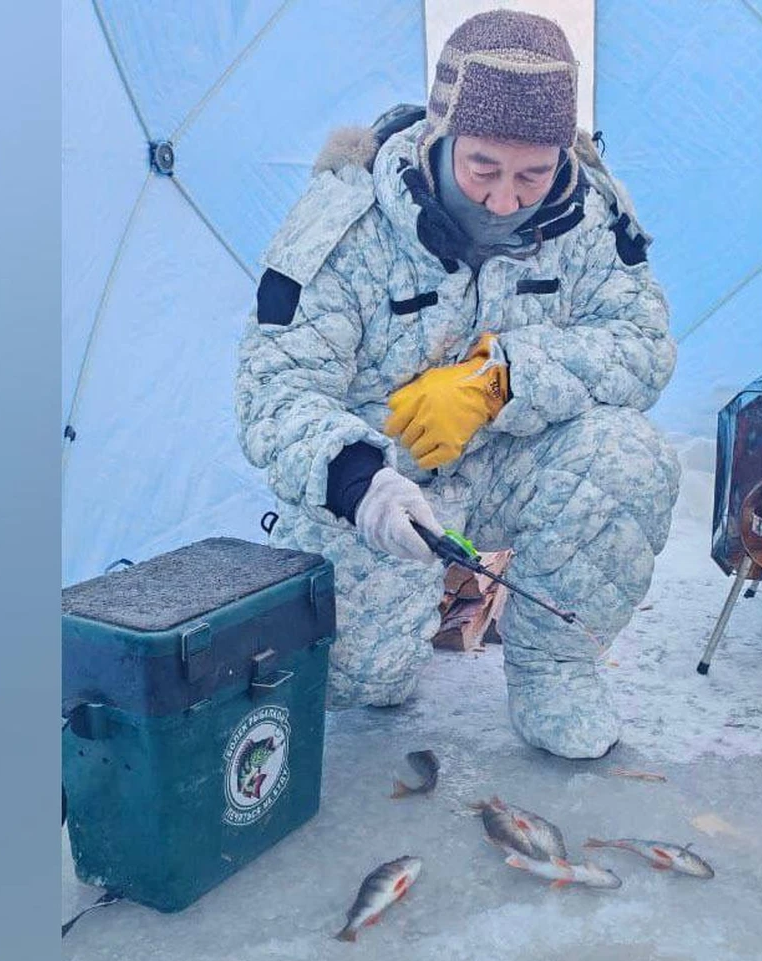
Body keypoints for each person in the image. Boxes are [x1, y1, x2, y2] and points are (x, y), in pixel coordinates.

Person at [235, 9, 680, 759]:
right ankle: (385, 624)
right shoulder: (350, 220)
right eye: (484, 169)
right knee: (367, 682)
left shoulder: (589, 215)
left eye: (533, 174)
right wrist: (360, 482)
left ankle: (554, 672)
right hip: (387, 484)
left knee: (628, 456)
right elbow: (272, 387)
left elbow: (643, 347)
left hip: (513, 467)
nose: (507, 199)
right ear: (441, 138)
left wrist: (499, 380)